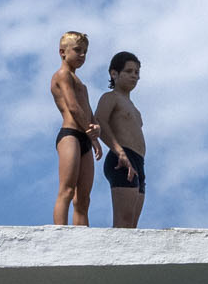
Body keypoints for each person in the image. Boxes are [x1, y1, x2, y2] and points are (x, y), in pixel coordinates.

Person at [48, 32, 99, 226]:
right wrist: (91, 132)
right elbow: (73, 106)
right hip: (70, 135)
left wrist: (96, 131)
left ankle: (82, 237)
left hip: (85, 136)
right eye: (78, 50)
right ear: (62, 52)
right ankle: (60, 233)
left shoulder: (82, 85)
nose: (82, 55)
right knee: (67, 190)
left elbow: (88, 110)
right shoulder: (62, 75)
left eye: (85, 52)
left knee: (83, 198)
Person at [94, 51, 147, 229]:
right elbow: (99, 121)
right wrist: (120, 152)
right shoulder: (110, 98)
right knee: (123, 224)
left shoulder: (134, 108)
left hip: (139, 161)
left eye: (137, 72)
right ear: (114, 73)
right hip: (122, 158)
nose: (134, 76)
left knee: (132, 226)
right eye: (129, 71)